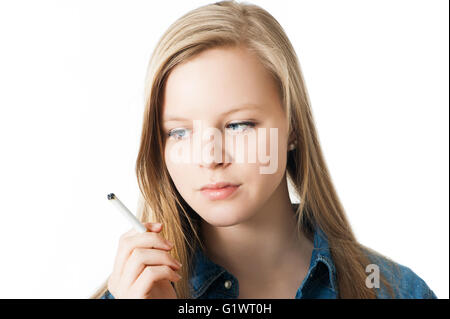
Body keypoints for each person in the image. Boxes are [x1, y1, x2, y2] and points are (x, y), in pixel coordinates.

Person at [91, 0, 437, 299]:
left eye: (238, 125)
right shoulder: (131, 295)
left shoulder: (391, 289)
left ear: (294, 128)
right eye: (179, 132)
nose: (210, 158)